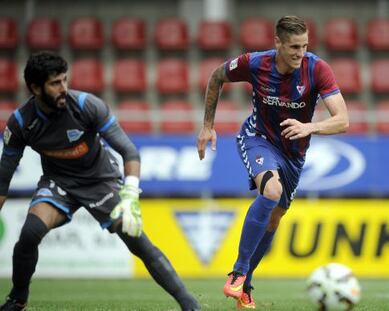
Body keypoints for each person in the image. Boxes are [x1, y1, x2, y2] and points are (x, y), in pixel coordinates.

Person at [0, 51, 200, 311]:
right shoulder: (20, 122)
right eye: (55, 83)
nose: (64, 88)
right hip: (59, 183)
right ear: (35, 88)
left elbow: (129, 151)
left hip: (101, 181)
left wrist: (130, 196)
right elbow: (4, 176)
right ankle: (17, 299)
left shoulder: (86, 105)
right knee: (29, 233)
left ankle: (190, 305)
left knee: (138, 241)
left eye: (64, 80)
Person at [197, 15, 349, 309]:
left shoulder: (317, 69)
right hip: (258, 138)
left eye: (304, 46)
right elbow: (216, 76)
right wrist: (207, 126)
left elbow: (343, 120)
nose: (299, 53)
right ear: (277, 42)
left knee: (275, 217)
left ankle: (246, 285)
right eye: (293, 46)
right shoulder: (255, 63)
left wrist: (310, 127)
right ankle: (238, 272)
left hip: (294, 153)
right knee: (270, 191)